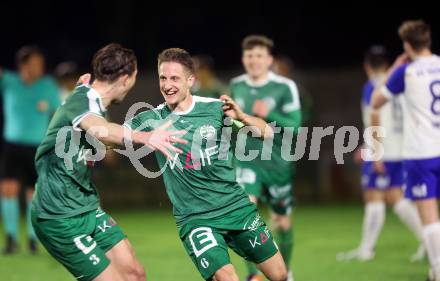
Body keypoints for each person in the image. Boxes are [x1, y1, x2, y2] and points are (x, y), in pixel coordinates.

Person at [124, 48, 288, 281]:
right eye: (163, 78)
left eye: (174, 78)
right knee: (227, 278)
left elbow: (266, 132)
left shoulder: (215, 109)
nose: (167, 85)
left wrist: (242, 117)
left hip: (236, 207)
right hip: (196, 218)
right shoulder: (152, 119)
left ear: (190, 80)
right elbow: (108, 136)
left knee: (280, 275)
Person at [31, 43, 187, 281]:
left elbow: (102, 139)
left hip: (87, 207)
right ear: (125, 79)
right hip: (58, 216)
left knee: (134, 274)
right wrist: (145, 137)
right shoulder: (83, 102)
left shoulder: (90, 99)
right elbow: (100, 130)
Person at [337, 45, 424, 262]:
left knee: (374, 197)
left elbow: (375, 117)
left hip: (382, 149)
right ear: (387, 64)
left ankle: (366, 250)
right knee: (397, 197)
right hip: (401, 149)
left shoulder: (373, 86)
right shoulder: (399, 84)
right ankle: (428, 238)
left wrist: (374, 152)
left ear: (366, 66)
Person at [371, 20, 440, 280]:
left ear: (407, 45)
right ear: (428, 39)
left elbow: (377, 101)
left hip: (422, 153)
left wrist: (395, 68)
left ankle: (437, 270)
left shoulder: (406, 71)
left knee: (429, 215)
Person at [229, 35, 301, 281]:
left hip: (277, 162)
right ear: (243, 59)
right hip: (247, 159)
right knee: (245, 214)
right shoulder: (236, 85)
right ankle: (253, 275)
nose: (254, 60)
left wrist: (271, 115)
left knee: (282, 221)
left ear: (269, 59)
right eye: (249, 56)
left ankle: (285, 272)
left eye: (259, 55)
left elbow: (296, 127)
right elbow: (236, 123)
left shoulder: (284, 87)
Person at [0, 45, 61, 254]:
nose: (40, 67)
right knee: (7, 189)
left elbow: (58, 114)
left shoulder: (48, 86)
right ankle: (11, 238)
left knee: (33, 194)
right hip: (12, 145)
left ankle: (33, 238)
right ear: (23, 65)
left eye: (41, 63)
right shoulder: (9, 81)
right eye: (35, 63)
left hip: (37, 146)